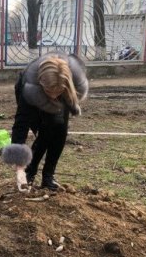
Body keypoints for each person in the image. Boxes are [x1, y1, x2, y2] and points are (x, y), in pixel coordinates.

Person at [11, 51, 88, 191]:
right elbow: (20, 125)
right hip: (33, 92)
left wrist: (66, 99)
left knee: (59, 131)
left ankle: (48, 177)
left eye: (57, 92)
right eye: (49, 91)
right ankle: (28, 173)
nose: (53, 96)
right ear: (41, 83)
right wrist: (19, 168)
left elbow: (66, 95)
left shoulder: (71, 82)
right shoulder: (30, 89)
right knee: (45, 132)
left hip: (62, 91)